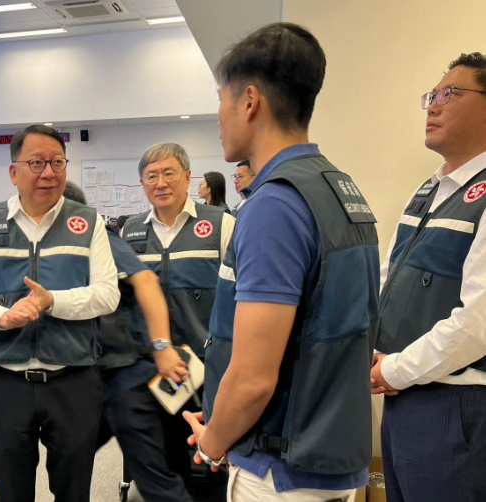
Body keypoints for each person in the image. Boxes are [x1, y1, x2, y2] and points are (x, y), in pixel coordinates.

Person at [184, 23, 379, 501]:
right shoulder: (337, 187)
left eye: (221, 100)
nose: (218, 115)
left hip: (280, 472)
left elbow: (252, 379)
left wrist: (211, 444)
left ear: (249, 101)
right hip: (326, 455)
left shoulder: (274, 205)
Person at [0, 124, 119, 502]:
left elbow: (108, 294)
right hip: (6, 382)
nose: (49, 172)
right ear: (14, 172)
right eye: (37, 162)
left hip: (72, 379)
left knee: (73, 490)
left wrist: (51, 301)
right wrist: (1, 316)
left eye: (57, 162)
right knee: (11, 491)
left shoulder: (88, 222)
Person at [372, 52, 486, 502]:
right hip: (404, 393)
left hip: (453, 403)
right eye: (431, 96)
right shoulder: (428, 189)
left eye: (449, 94)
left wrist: (395, 370)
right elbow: (388, 277)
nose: (432, 106)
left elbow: (478, 323)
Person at [61, 181, 190, 502]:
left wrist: (162, 346)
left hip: (127, 380)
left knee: (156, 482)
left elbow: (146, 279)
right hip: (98, 380)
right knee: (68, 461)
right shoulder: (66, 248)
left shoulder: (97, 237)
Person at [120, 142, 235, 501]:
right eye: (151, 176)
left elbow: (241, 297)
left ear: (188, 177)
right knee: (165, 463)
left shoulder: (221, 225)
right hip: (155, 371)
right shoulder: (131, 232)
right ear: (142, 183)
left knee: (214, 461)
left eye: (169, 173)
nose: (160, 182)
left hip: (210, 370)